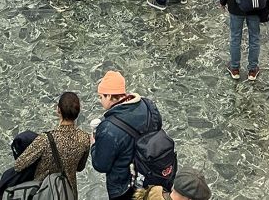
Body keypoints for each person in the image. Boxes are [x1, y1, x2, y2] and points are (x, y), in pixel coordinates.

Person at [91, 71, 164, 200]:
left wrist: (94, 145)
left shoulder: (109, 128)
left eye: (101, 96)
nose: (100, 100)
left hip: (123, 186)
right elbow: (157, 128)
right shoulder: (149, 106)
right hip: (151, 175)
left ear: (109, 96)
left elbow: (101, 165)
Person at [11, 92, 92, 192]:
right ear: (78, 111)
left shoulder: (45, 139)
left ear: (58, 110)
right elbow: (80, 167)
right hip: (68, 194)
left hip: (44, 193)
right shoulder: (85, 138)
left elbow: (19, 165)